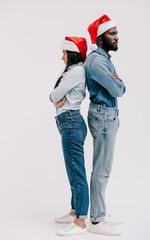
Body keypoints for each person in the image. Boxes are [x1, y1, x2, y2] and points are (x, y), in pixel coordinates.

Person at [84, 14, 126, 236]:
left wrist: (117, 81)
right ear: (100, 38)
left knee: (104, 168)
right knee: (101, 168)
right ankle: (97, 221)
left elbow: (117, 86)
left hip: (107, 116)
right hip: (103, 117)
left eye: (117, 32)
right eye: (112, 33)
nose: (117, 37)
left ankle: (100, 210)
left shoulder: (103, 58)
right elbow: (119, 89)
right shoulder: (98, 61)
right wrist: (118, 81)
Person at [49, 36, 89, 236]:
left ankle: (80, 221)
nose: (61, 57)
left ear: (71, 53)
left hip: (71, 122)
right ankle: (75, 211)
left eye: (64, 52)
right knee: (72, 171)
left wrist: (53, 97)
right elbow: (56, 95)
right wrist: (54, 97)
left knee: (76, 172)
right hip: (68, 122)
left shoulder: (76, 71)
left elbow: (56, 95)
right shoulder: (73, 71)